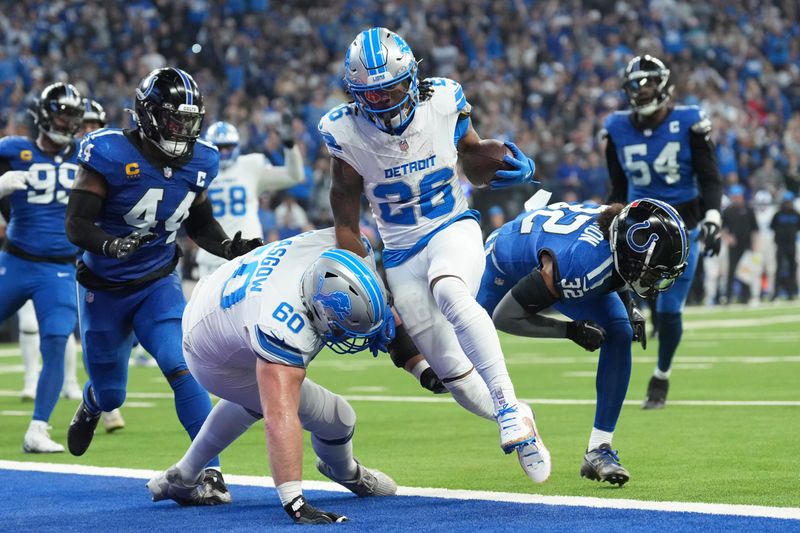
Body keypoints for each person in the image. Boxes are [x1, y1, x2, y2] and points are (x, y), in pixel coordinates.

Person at [319, 27, 549, 482]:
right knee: (454, 379)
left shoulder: (443, 100)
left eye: (392, 90)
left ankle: (506, 405)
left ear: (413, 77)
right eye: (374, 95)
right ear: (356, 94)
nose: (384, 102)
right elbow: (345, 222)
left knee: (449, 288)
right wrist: (366, 277)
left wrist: (503, 162)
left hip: (451, 227)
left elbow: (471, 161)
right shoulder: (343, 131)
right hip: (401, 253)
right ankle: (521, 415)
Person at [63, 67, 261, 496]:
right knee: (112, 392)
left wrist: (227, 247)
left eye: (187, 122)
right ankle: (93, 402)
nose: (180, 130)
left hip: (157, 282)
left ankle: (208, 471)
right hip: (104, 288)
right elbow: (76, 224)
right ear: (147, 115)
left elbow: (200, 223)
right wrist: (111, 245)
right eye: (172, 120)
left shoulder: (202, 159)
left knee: (182, 365)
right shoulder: (109, 153)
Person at [147, 230, 397, 524]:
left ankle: (185, 474)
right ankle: (346, 472)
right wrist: (295, 502)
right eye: (342, 327)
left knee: (255, 398)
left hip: (215, 298)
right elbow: (280, 417)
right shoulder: (283, 324)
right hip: (210, 355)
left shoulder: (334, 246)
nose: (345, 336)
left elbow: (349, 228)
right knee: (338, 418)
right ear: (320, 308)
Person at [478, 196, 690, 486]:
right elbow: (505, 317)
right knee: (460, 356)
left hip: (560, 248)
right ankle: (515, 417)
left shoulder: (617, 238)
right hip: (501, 260)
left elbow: (618, 268)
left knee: (619, 330)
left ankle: (599, 448)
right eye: (652, 270)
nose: (655, 280)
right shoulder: (580, 265)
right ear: (629, 253)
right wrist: (570, 331)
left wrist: (629, 307)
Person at [605, 55, 723, 409]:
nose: (641, 92)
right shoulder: (616, 127)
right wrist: (604, 220)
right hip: (635, 229)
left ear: (665, 85)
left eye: (648, 84)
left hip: (681, 228)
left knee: (670, 310)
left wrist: (714, 216)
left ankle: (662, 374)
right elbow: (617, 186)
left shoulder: (688, 121)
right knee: (619, 302)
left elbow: (709, 176)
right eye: (634, 86)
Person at [0, 82, 84, 453]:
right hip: (15, 260)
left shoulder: (87, 154)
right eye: (60, 113)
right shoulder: (14, 151)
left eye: (72, 115)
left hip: (59, 269)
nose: (66, 122)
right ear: (43, 114)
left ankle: (38, 428)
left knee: (55, 338)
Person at [195, 118, 305, 278]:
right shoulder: (200, 169)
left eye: (228, 146)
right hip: (212, 255)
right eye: (219, 147)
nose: (224, 152)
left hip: (248, 252)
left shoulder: (251, 165)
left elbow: (294, 176)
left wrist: (290, 147)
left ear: (237, 146)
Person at [721, 185, 759, 303]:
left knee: (746, 271)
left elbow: (755, 229)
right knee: (731, 271)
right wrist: (728, 238)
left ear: (742, 196)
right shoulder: (727, 210)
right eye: (735, 196)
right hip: (734, 245)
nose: (737, 198)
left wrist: (754, 244)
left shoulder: (749, 209)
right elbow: (721, 228)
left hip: (747, 244)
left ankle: (745, 297)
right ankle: (728, 296)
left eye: (738, 196)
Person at [770, 191, 799, 299]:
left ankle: (791, 293)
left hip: (791, 244)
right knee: (778, 268)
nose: (788, 204)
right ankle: (775, 293)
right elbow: (772, 227)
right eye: (786, 202)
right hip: (780, 245)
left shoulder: (796, 214)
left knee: (792, 268)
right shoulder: (778, 214)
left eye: (789, 202)